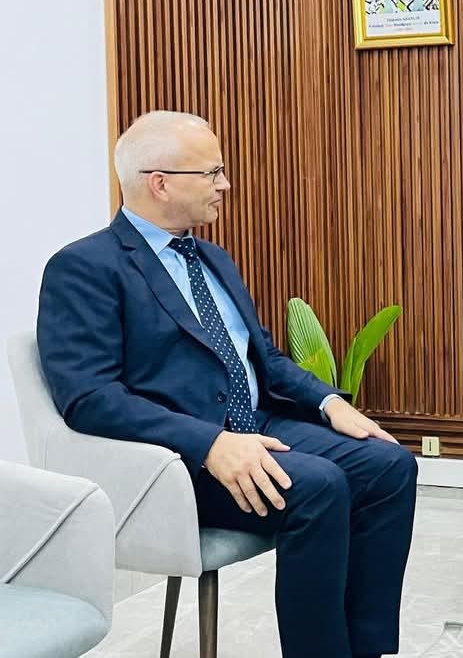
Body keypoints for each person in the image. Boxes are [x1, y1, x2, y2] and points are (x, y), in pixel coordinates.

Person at [37, 111, 417, 658]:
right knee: (319, 486)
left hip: (255, 425)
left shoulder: (212, 257)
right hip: (176, 461)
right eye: (212, 172)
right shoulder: (84, 267)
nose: (225, 184)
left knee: (390, 466)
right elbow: (89, 398)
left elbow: (263, 357)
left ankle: (366, 649)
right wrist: (209, 442)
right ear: (160, 183)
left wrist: (329, 401)